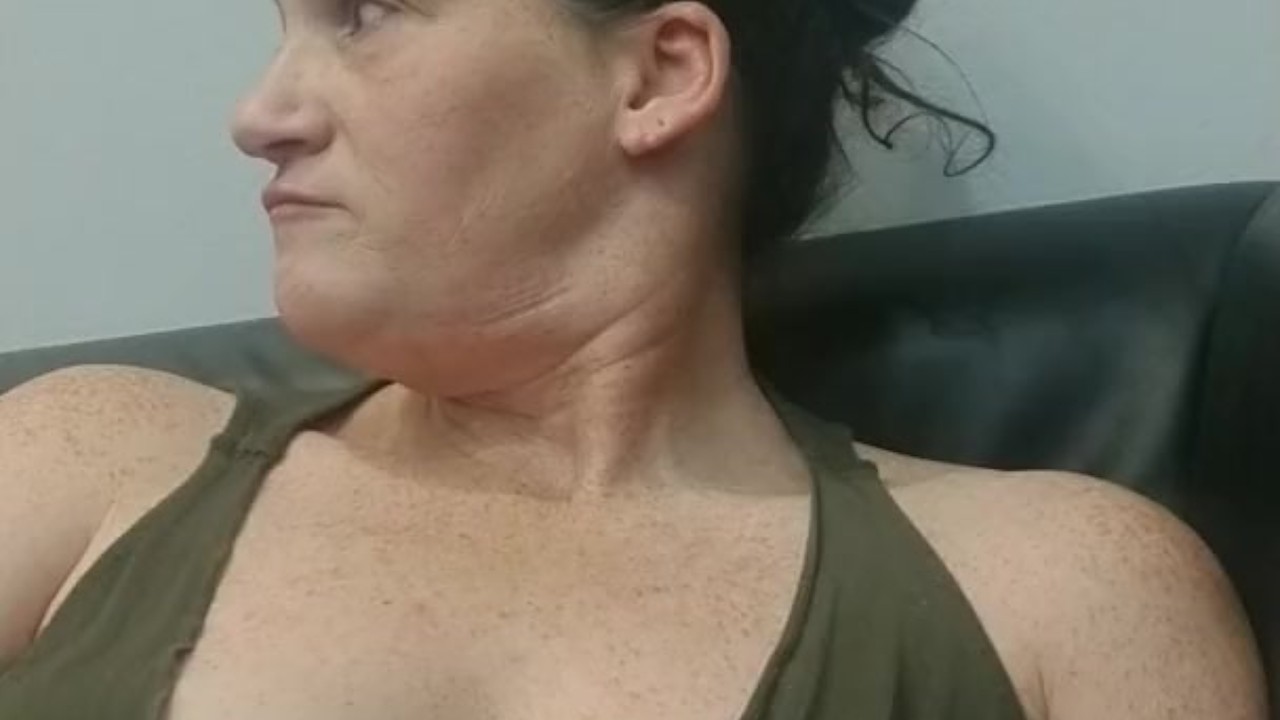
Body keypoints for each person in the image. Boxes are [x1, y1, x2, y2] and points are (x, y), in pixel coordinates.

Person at [0, 0, 1266, 717]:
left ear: (661, 73)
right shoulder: (80, 459)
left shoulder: (1059, 591)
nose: (259, 114)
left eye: (366, 14)